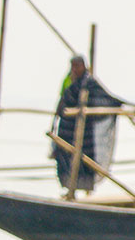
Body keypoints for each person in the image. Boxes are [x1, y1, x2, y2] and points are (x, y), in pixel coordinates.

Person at [52, 55, 124, 196]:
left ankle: (86, 194)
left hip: (85, 133)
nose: (74, 69)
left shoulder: (89, 83)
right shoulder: (69, 81)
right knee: (66, 158)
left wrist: (117, 103)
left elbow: (103, 98)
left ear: (83, 66)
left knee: (84, 160)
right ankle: (70, 191)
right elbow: (63, 102)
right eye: (73, 66)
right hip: (68, 130)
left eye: (77, 66)